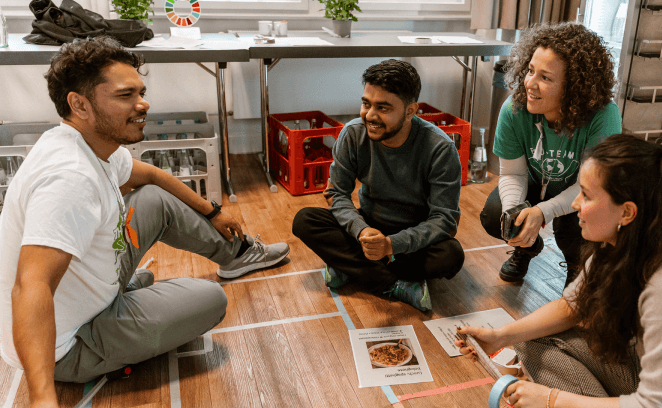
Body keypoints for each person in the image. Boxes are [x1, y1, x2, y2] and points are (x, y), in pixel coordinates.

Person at [0, 37, 289, 407]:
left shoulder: (84, 143)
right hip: (69, 345)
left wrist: (213, 212)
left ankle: (237, 255)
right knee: (210, 299)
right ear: (79, 104)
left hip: (89, 287)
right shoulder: (68, 178)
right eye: (125, 95)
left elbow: (151, 175)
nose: (143, 103)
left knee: (152, 199)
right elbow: (30, 287)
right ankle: (113, 309)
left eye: (142, 91)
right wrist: (43, 397)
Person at [456, 135, 662, 407]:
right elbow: (572, 307)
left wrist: (552, 399)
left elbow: (658, 405)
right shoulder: (626, 240)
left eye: (586, 195)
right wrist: (499, 337)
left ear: (627, 212)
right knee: (528, 340)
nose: (575, 203)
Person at [292, 59, 464, 312]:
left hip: (411, 239)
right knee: (305, 220)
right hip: (368, 227)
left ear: (410, 111)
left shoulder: (440, 148)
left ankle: (351, 268)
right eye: (366, 103)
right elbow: (337, 193)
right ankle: (395, 284)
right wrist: (362, 231)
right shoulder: (353, 134)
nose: (370, 115)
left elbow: (445, 220)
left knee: (450, 256)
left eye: (383, 108)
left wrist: (391, 245)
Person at [480, 22, 622, 288]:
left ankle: (577, 265)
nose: (530, 83)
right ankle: (526, 249)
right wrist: (517, 216)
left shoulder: (605, 116)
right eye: (530, 70)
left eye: (545, 78)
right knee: (495, 213)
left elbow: (590, 187)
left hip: (585, 190)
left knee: (578, 226)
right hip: (535, 182)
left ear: (575, 87)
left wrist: (544, 212)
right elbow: (512, 173)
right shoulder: (513, 109)